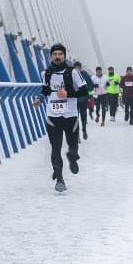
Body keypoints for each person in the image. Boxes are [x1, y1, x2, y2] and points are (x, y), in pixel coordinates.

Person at [34, 43, 80, 191]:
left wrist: (68, 94)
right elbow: (45, 89)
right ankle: (60, 179)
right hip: (53, 116)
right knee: (55, 148)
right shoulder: (46, 73)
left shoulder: (73, 73)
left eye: (60, 54)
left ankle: (73, 157)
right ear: (51, 56)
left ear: (64, 56)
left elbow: (86, 91)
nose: (58, 56)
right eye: (55, 54)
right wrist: (40, 99)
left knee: (73, 145)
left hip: (70, 115)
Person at [73, 60, 93, 139]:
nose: (77, 69)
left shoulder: (85, 74)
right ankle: (76, 134)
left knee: (83, 116)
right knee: (75, 118)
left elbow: (91, 85)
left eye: (78, 67)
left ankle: (84, 130)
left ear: (81, 68)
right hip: (74, 100)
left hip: (83, 99)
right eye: (76, 68)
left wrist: (85, 90)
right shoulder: (71, 75)